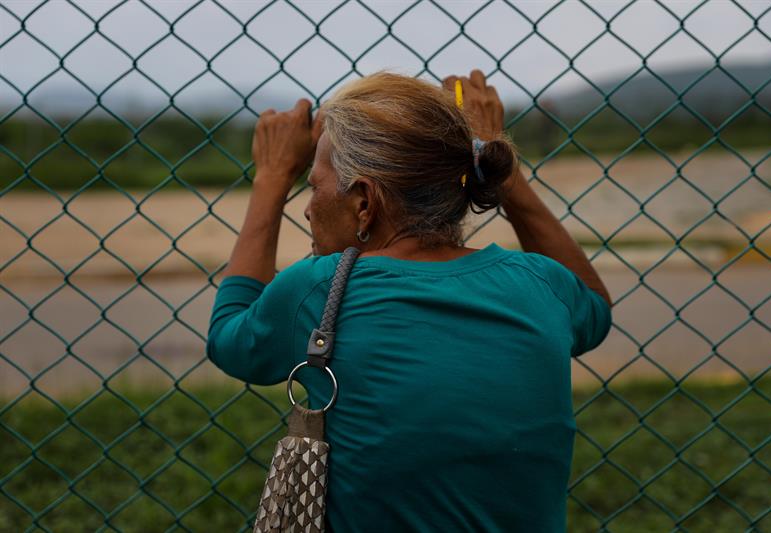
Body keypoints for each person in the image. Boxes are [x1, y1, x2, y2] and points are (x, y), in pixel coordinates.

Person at [206, 69, 612, 532]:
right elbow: (594, 308)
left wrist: (272, 177)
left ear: (364, 203)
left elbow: (228, 338)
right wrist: (501, 167)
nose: (307, 206)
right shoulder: (543, 284)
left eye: (314, 186)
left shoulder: (320, 290)